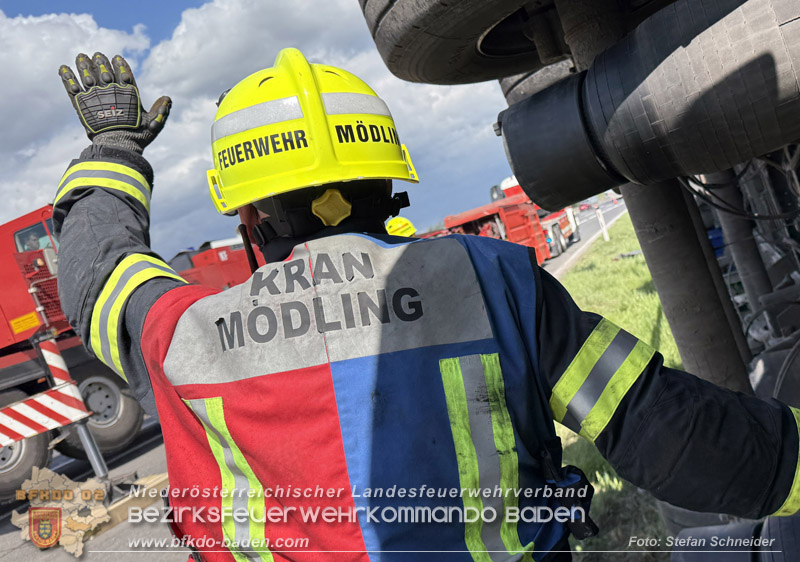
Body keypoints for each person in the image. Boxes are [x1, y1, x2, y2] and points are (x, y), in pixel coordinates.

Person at [54, 50, 800, 562]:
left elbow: (100, 276)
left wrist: (113, 151)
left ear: (248, 219)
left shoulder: (183, 335)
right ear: (389, 186)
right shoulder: (495, 282)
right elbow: (659, 428)